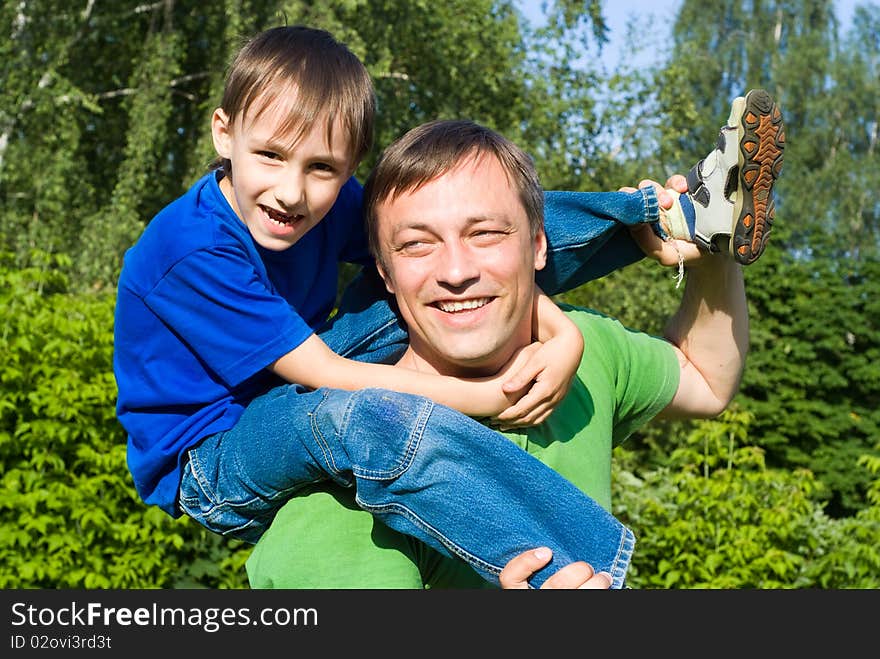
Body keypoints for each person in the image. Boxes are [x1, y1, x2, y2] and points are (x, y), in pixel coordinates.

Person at [111, 20, 775, 588]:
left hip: (300, 387)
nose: (292, 192)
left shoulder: (328, 202)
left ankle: (665, 219)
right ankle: (572, 570)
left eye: (322, 168)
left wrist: (561, 330)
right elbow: (327, 378)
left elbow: (470, 241)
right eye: (270, 156)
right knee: (367, 416)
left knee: (476, 209)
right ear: (221, 133)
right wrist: (491, 401)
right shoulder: (192, 251)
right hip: (215, 451)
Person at [246, 92, 785, 589]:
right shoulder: (354, 483)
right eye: (416, 245)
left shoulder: (588, 350)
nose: (455, 271)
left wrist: (714, 251)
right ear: (385, 274)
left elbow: (706, 379)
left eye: (484, 234)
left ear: (538, 246)